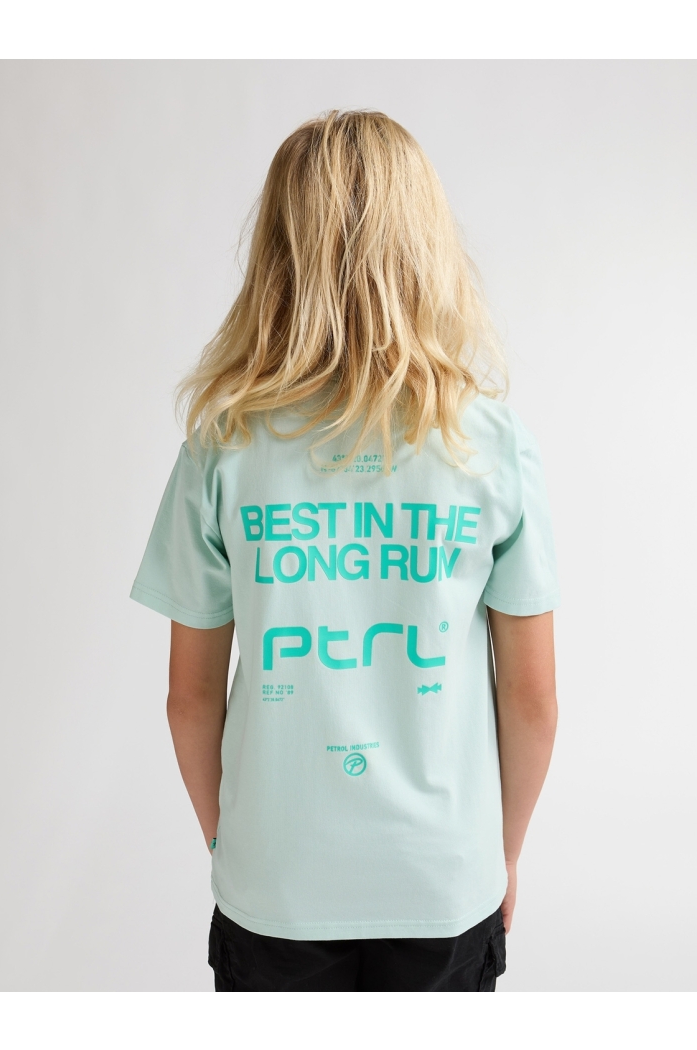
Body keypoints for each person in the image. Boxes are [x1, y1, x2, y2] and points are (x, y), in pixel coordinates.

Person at [130, 110, 559, 992]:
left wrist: (232, 845)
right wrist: (502, 852)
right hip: (442, 877)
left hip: (276, 882)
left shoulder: (223, 444)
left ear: (278, 254)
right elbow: (532, 699)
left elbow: (189, 698)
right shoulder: (489, 443)